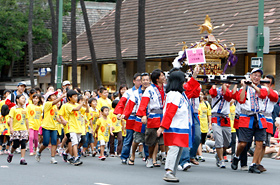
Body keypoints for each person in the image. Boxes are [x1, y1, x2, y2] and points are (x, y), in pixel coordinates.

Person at [157, 67, 201, 183]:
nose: (185, 83)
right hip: (174, 126)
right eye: (183, 80)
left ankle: (172, 172)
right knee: (174, 148)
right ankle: (169, 171)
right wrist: (163, 126)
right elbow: (170, 111)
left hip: (180, 126)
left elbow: (190, 86)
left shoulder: (179, 94)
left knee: (179, 149)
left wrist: (194, 75)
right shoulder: (174, 94)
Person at [232, 68, 268, 173]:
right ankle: (236, 156)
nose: (256, 77)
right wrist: (244, 86)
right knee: (243, 143)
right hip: (246, 117)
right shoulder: (245, 89)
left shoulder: (262, 88)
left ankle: (254, 164)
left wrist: (252, 85)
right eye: (254, 75)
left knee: (259, 142)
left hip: (259, 117)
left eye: (258, 76)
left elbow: (263, 95)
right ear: (250, 76)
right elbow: (241, 100)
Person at [136, 69, 166, 168]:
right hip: (154, 116)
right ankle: (149, 158)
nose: (164, 77)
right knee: (152, 141)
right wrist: (143, 115)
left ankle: (163, 155)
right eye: (162, 76)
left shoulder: (166, 88)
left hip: (164, 116)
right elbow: (143, 104)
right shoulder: (150, 89)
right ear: (157, 79)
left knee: (164, 140)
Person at [122, 72, 151, 165]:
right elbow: (129, 105)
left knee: (149, 139)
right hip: (137, 117)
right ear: (140, 82)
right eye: (143, 80)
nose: (145, 82)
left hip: (151, 117)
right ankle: (129, 155)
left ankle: (149, 158)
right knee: (135, 139)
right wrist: (124, 115)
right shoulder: (134, 93)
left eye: (147, 80)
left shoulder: (152, 91)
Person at [114, 73, 141, 164]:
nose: (140, 82)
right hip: (130, 116)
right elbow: (121, 103)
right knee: (129, 137)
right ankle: (124, 156)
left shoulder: (146, 91)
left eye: (141, 80)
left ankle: (148, 156)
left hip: (141, 117)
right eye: (138, 80)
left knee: (143, 138)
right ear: (134, 81)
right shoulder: (129, 92)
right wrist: (119, 113)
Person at [35, 91, 65, 164]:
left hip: (54, 127)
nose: (55, 97)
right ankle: (39, 152)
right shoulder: (47, 104)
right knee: (45, 142)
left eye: (55, 95)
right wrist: (62, 96)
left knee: (54, 142)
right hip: (46, 126)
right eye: (53, 96)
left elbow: (55, 117)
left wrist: (62, 122)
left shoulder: (55, 107)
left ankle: (52, 157)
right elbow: (54, 102)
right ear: (48, 98)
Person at [257, 75, 278, 172]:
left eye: (267, 82)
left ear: (272, 84)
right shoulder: (258, 89)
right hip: (258, 116)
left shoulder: (275, 92)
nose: (264, 83)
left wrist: (265, 87)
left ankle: (258, 163)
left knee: (264, 143)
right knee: (257, 142)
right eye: (263, 81)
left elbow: (271, 95)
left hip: (268, 118)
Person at [209, 83, 233, 168]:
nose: (227, 84)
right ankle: (221, 160)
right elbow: (212, 93)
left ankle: (219, 155)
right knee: (218, 140)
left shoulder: (229, 92)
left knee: (227, 142)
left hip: (226, 119)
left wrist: (225, 88)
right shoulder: (216, 89)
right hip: (216, 117)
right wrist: (214, 84)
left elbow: (228, 97)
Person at [65, 90, 89, 165]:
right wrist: (82, 102)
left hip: (78, 127)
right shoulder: (68, 105)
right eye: (74, 96)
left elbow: (87, 111)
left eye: (76, 96)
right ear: (69, 98)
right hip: (72, 127)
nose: (76, 98)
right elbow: (77, 109)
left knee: (77, 143)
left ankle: (69, 155)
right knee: (75, 142)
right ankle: (76, 157)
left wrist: (86, 103)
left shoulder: (77, 105)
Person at [7, 94, 29, 165]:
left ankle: (22, 159)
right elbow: (11, 119)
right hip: (16, 129)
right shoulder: (13, 109)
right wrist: (11, 128)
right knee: (16, 144)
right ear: (17, 100)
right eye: (22, 98)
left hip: (23, 129)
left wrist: (28, 129)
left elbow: (26, 120)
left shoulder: (25, 109)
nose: (24, 100)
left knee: (23, 143)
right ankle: (11, 153)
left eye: (24, 99)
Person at [196, 94, 211, 163]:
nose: (200, 96)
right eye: (199, 95)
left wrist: (210, 123)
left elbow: (209, 114)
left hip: (204, 126)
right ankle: (200, 155)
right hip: (198, 124)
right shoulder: (196, 104)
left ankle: (196, 154)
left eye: (201, 94)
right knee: (198, 140)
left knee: (202, 141)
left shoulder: (206, 104)